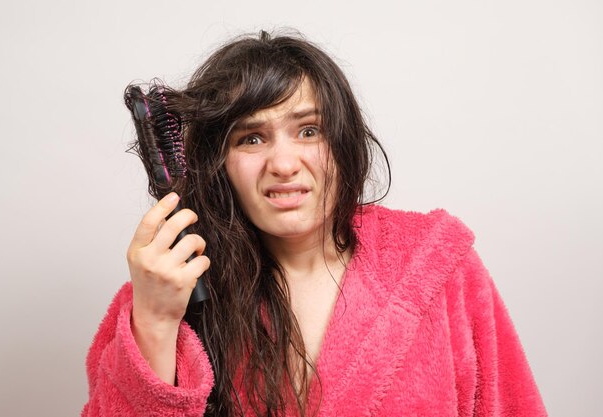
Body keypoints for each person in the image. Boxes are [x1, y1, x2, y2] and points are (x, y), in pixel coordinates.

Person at [82, 30, 547, 417]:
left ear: (343, 141)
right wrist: (157, 322)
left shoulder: (438, 266)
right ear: (218, 162)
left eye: (309, 130)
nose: (284, 164)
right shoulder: (165, 291)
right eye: (251, 138)